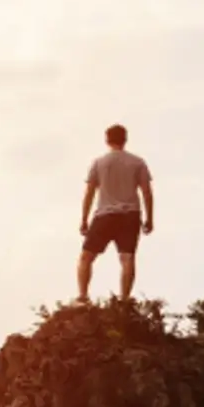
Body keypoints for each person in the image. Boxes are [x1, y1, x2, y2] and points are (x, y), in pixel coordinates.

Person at [77, 124, 153, 302]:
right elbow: (147, 192)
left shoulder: (99, 162)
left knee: (86, 257)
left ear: (107, 139)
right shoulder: (137, 162)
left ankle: (82, 295)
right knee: (127, 258)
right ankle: (124, 299)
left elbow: (89, 192)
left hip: (105, 214)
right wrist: (149, 218)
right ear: (125, 139)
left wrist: (84, 219)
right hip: (130, 214)